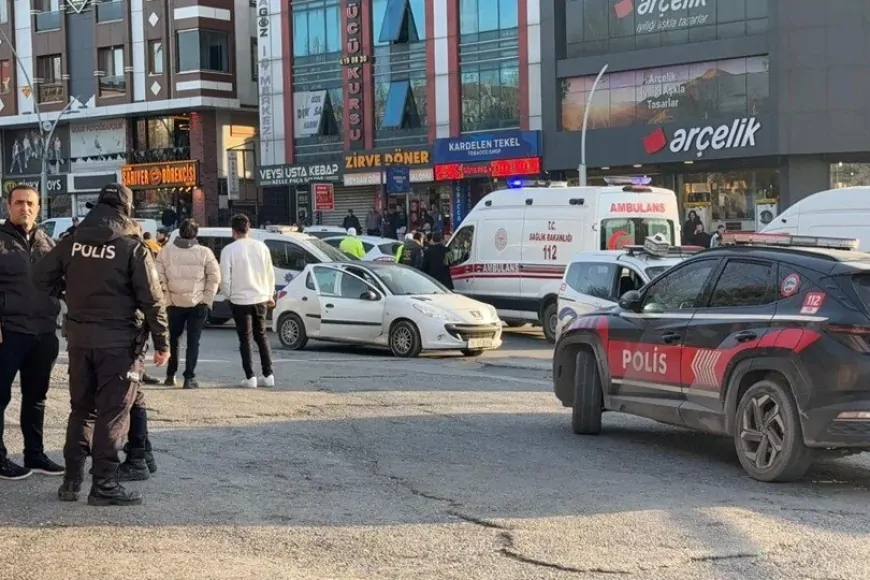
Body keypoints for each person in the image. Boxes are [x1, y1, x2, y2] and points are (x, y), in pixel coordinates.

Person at [32, 183, 170, 506]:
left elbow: (39, 277)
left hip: (79, 341)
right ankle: (105, 483)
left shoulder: (73, 241)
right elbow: (153, 299)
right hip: (119, 345)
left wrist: (67, 293)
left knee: (81, 411)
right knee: (112, 414)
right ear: (127, 209)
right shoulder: (132, 246)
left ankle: (70, 481)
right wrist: (163, 341)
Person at [0, 185, 63, 481]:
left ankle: (34, 455)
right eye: (19, 203)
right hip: (8, 332)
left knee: (36, 397)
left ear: (39, 207)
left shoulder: (48, 243)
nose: (24, 208)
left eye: (30, 204)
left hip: (43, 333)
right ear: (8, 206)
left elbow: (65, 283)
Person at [156, 218, 220, 390]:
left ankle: (170, 375)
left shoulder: (165, 252)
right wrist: (207, 299)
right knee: (193, 341)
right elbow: (214, 278)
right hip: (198, 303)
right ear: (196, 234)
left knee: (173, 339)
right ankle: (189, 378)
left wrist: (167, 299)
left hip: (174, 304)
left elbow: (159, 279)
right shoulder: (205, 252)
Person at [220, 214, 275, 389]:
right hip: (260, 297)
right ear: (248, 229)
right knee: (261, 335)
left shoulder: (229, 250)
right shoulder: (262, 247)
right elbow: (269, 273)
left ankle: (250, 377)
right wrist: (269, 294)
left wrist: (229, 295)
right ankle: (268, 374)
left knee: (245, 338)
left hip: (239, 299)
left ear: (233, 231)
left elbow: (225, 278)